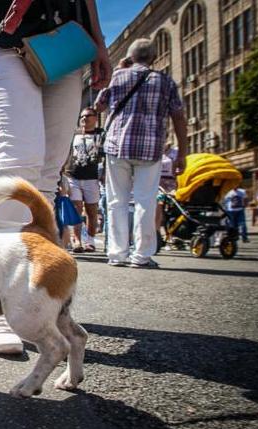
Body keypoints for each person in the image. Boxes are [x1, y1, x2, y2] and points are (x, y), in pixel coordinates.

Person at [0, 0, 110, 354]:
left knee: (48, 175)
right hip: (6, 40)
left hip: (67, 39)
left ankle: (33, 296)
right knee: (20, 164)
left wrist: (99, 41)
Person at [95, 38, 187, 269]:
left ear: (130, 57)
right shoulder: (164, 81)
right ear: (153, 58)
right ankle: (142, 256)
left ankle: (117, 254)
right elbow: (178, 117)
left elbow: (98, 106)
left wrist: (119, 69)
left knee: (116, 201)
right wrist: (182, 153)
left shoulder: (118, 77)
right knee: (146, 201)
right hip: (151, 148)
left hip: (118, 147)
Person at [64, 107, 103, 253]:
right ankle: (77, 240)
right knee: (77, 208)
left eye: (87, 116)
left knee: (91, 211)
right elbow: (66, 152)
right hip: (73, 175)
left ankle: (90, 241)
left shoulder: (100, 135)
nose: (84, 119)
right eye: (82, 116)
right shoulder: (73, 133)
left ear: (95, 118)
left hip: (92, 178)